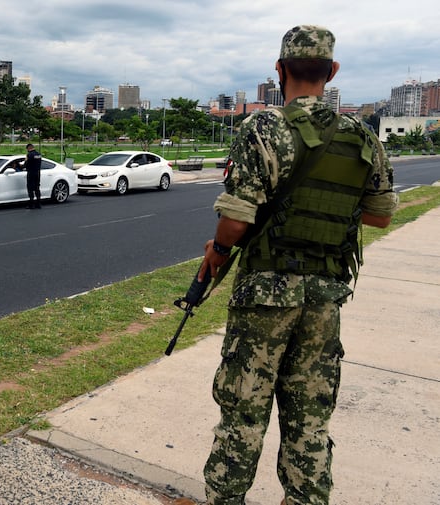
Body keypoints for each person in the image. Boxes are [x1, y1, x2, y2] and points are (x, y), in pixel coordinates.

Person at [197, 26, 397, 505]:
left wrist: (218, 254)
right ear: (332, 72)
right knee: (310, 413)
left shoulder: (263, 128)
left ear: (280, 70)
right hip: (326, 296)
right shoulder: (362, 137)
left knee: (244, 409)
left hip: (266, 294)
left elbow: (235, 220)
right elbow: (380, 214)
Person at [22, 143, 42, 209]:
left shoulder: (29, 155)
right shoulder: (38, 154)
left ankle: (31, 204)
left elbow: (25, 164)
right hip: (38, 173)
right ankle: (38, 203)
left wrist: (22, 165)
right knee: (37, 188)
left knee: (30, 188)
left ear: (28, 148)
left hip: (31, 173)